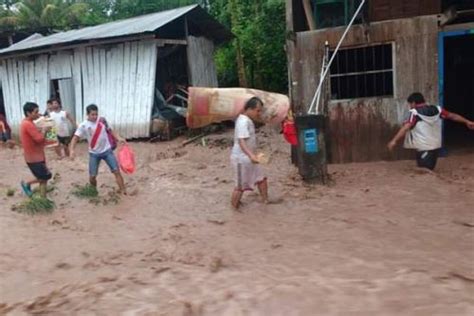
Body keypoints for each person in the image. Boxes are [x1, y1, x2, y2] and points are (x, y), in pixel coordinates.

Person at [388, 92, 474, 170]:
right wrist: (467, 121)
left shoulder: (414, 113)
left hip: (423, 147)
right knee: (429, 168)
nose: (410, 106)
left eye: (410, 104)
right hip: (435, 145)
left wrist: (394, 141)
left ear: (413, 103)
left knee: (424, 170)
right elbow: (452, 116)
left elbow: (406, 127)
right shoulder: (438, 109)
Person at [69, 104, 127, 194]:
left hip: (107, 151)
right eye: (92, 114)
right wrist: (72, 150)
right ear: (87, 114)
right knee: (92, 176)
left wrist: (119, 138)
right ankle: (93, 192)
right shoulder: (83, 125)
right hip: (94, 154)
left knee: (116, 171)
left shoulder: (102, 121)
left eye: (96, 114)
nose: (95, 116)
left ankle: (123, 191)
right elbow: (75, 138)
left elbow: (111, 131)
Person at [230, 97, 269, 209]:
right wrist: (251, 155)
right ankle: (234, 209)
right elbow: (241, 141)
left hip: (250, 157)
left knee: (261, 178)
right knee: (240, 186)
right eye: (257, 110)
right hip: (241, 159)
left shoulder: (246, 120)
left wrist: (253, 155)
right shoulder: (243, 121)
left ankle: (265, 201)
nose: (259, 113)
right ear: (250, 109)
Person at [19, 102, 52, 198]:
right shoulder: (28, 124)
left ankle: (43, 198)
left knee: (43, 177)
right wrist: (45, 130)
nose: (38, 114)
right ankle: (26, 183)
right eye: (36, 112)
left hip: (35, 155)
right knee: (45, 176)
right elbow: (39, 139)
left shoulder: (28, 123)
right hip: (34, 157)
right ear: (28, 113)